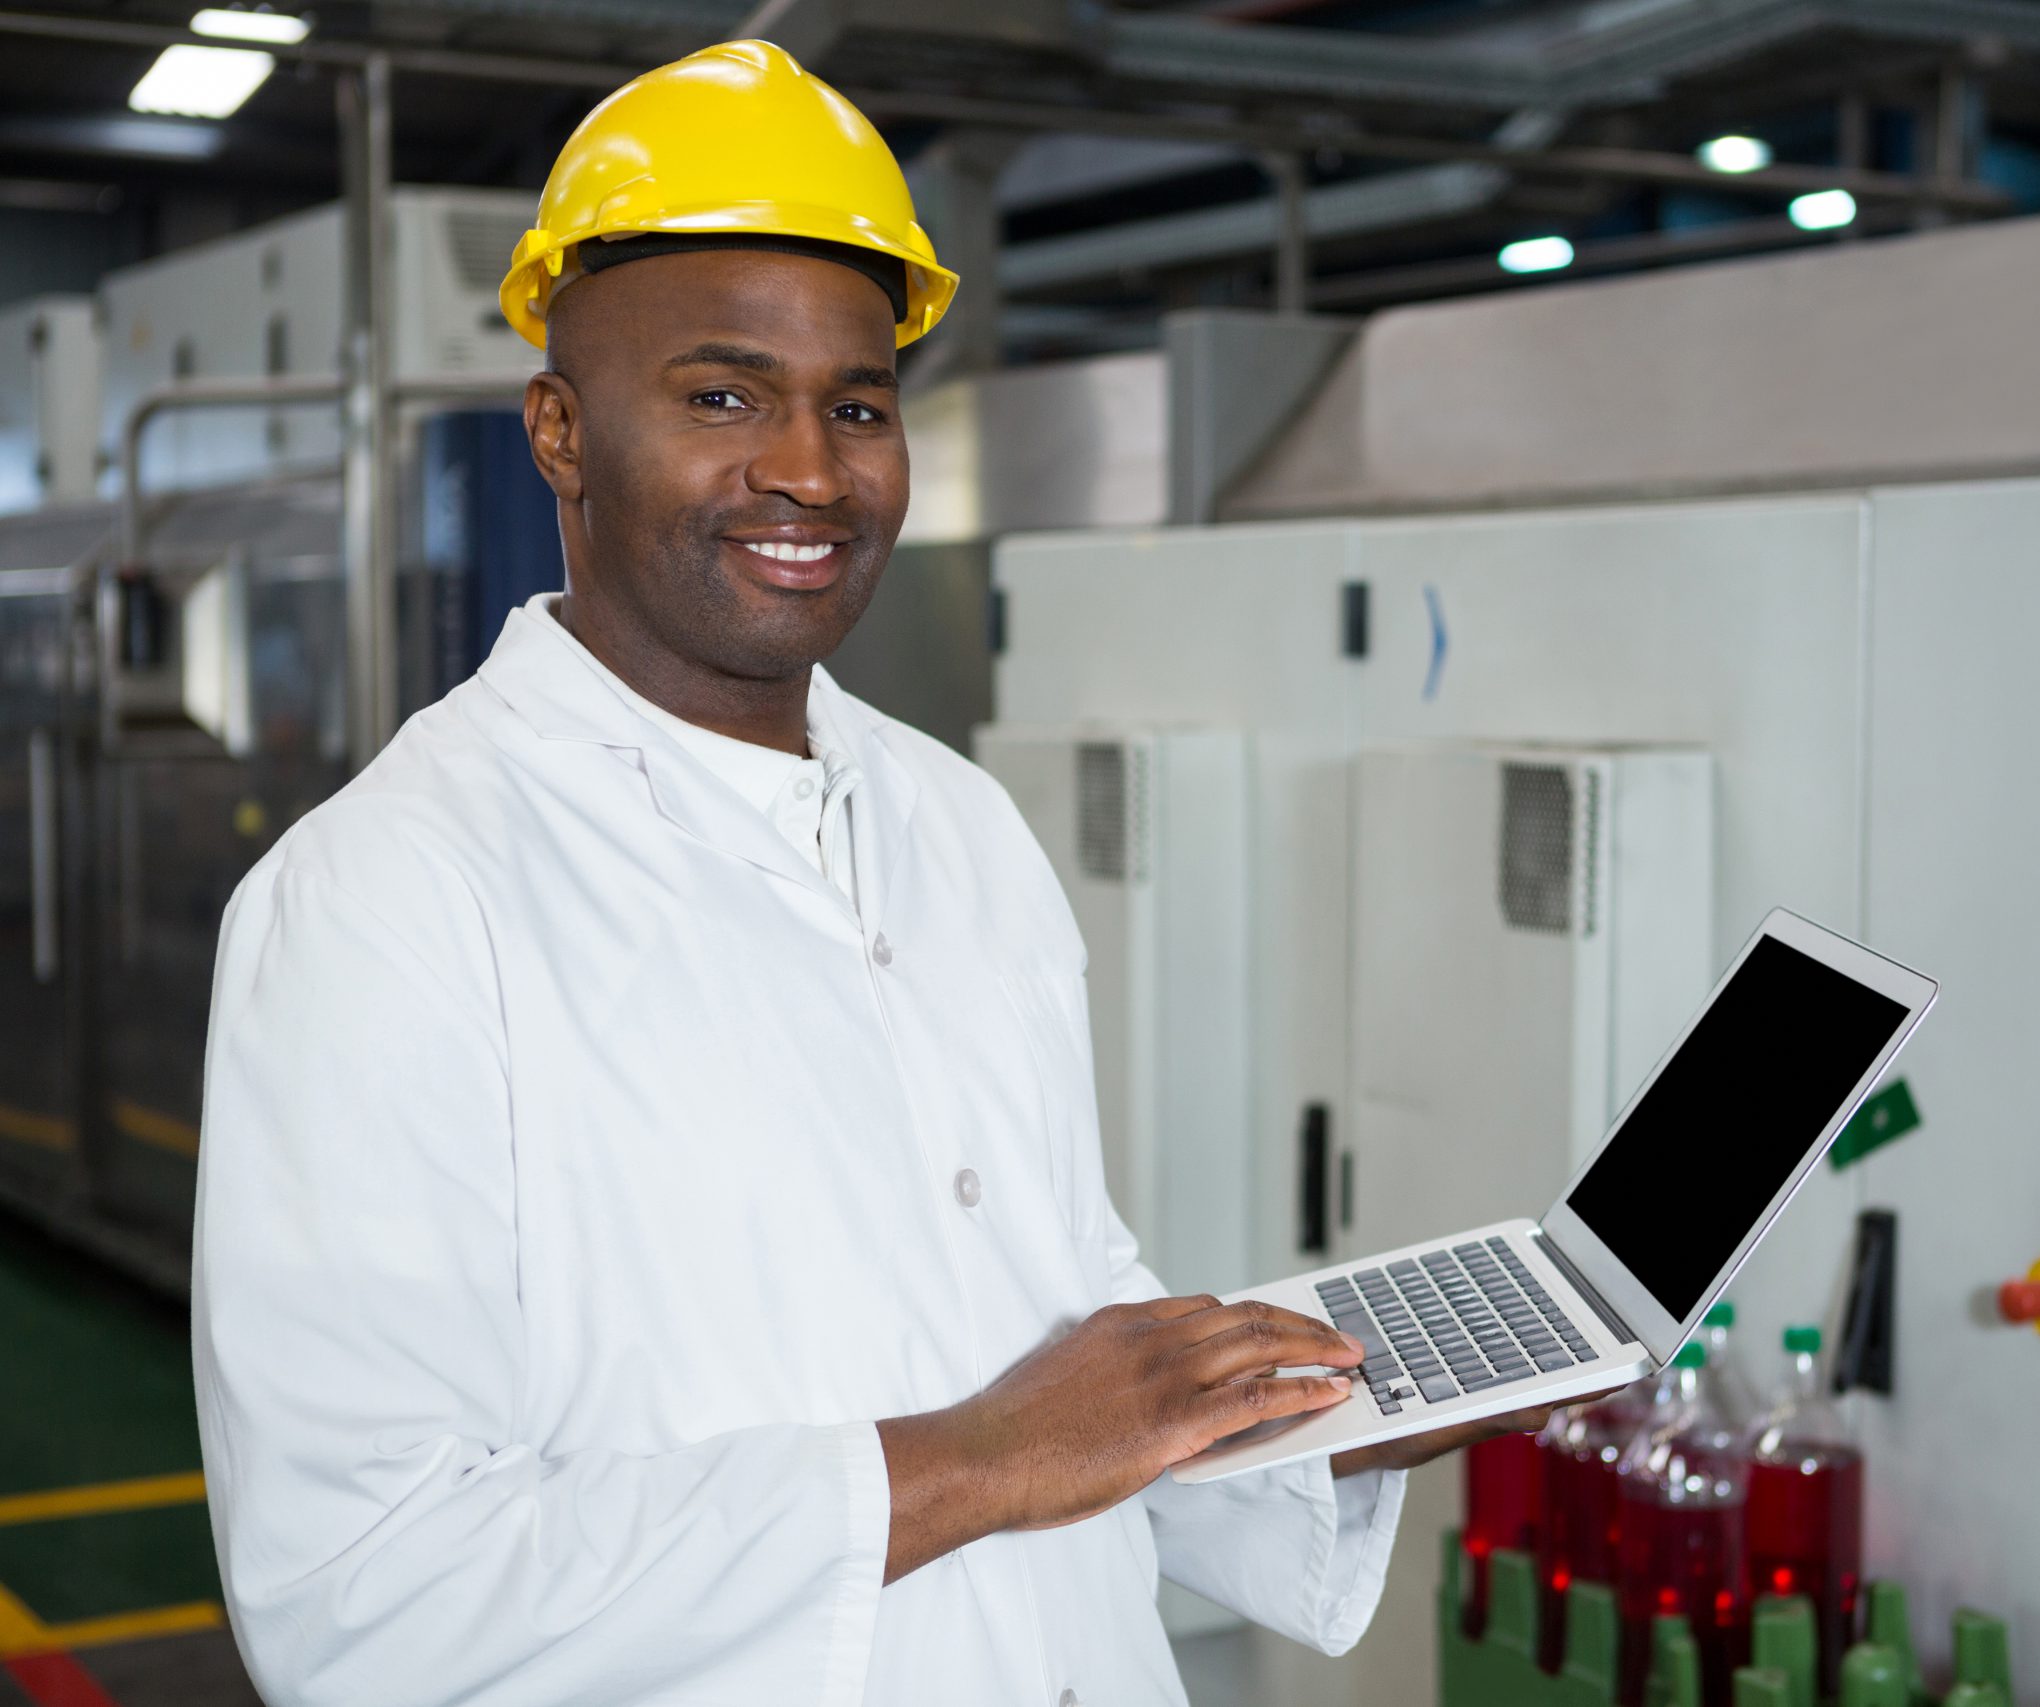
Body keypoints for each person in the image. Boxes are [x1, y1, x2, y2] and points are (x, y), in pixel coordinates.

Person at [191, 40, 1551, 1707]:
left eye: (857, 405)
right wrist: (975, 1462)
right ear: (560, 431)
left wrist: (1323, 1401)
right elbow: (362, 1589)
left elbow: (1056, 1319)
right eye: (721, 397)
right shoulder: (385, 904)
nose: (811, 472)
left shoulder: (957, 821)